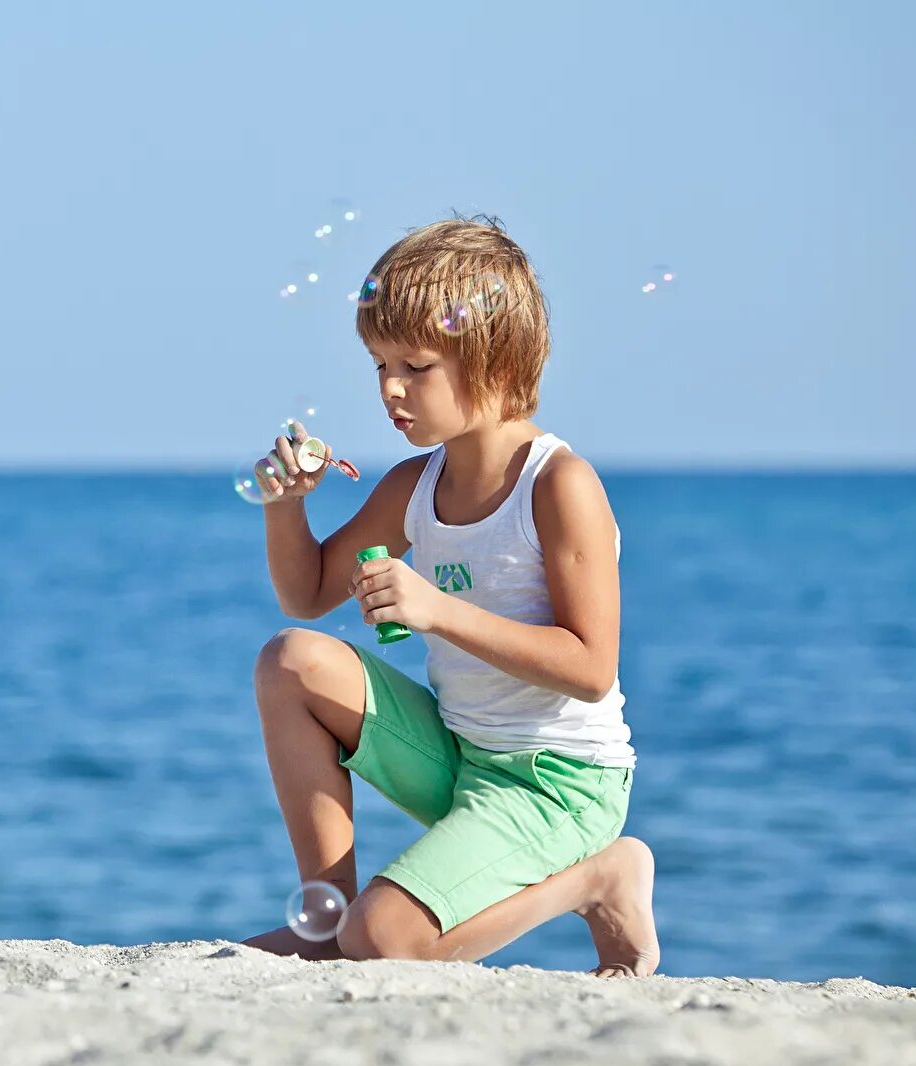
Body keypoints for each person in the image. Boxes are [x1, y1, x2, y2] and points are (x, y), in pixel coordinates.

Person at [244, 216, 658, 977]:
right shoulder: (415, 486)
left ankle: (599, 880)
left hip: (558, 787)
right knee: (291, 662)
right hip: (464, 759)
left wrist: (437, 610)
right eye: (377, 365)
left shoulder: (558, 486)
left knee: (383, 939)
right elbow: (305, 596)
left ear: (495, 361)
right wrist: (285, 505)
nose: (390, 389)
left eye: (416, 365)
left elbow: (591, 666)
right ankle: (321, 918)